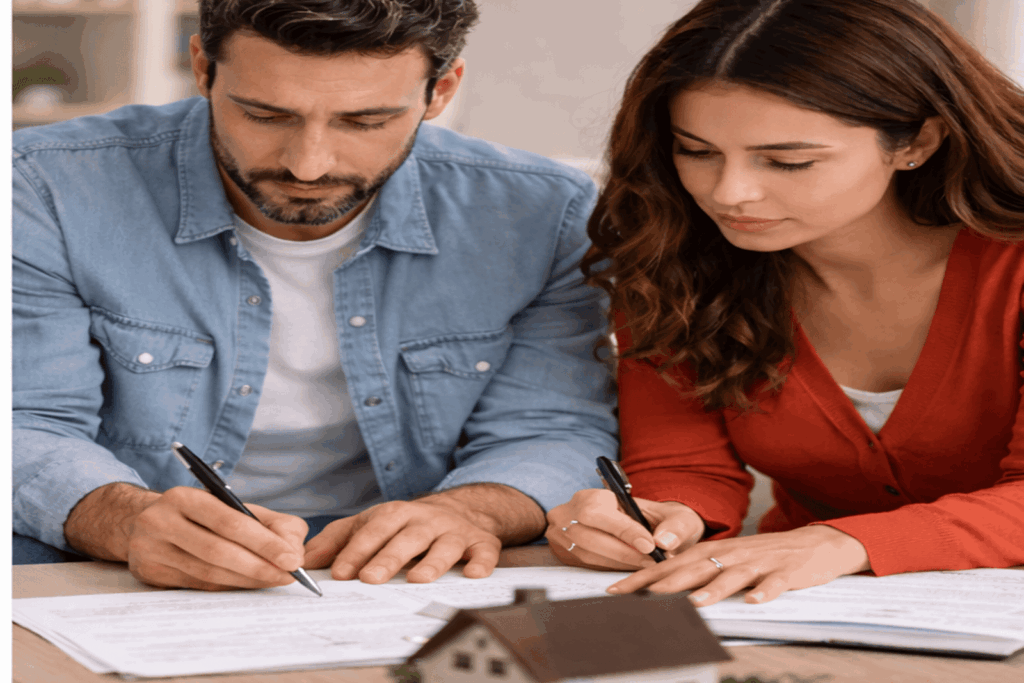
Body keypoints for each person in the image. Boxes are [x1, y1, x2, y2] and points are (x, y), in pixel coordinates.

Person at [12, 0, 617, 591]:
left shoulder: (546, 213)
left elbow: (551, 427)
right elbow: (24, 420)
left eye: (366, 121)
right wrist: (124, 519)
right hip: (125, 544)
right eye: (265, 115)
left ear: (442, 89)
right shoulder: (45, 188)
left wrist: (473, 511)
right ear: (202, 67)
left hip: (396, 561)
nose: (308, 165)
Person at [546, 0, 1024, 606]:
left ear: (918, 141)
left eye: (788, 161)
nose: (729, 193)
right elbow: (688, 468)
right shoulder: (671, 259)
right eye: (697, 151)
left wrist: (842, 543)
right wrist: (658, 520)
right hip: (801, 609)